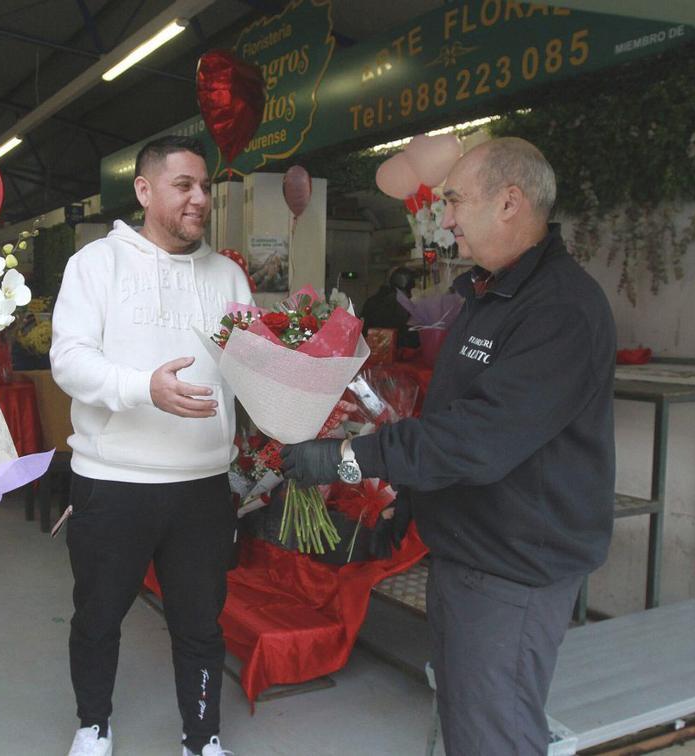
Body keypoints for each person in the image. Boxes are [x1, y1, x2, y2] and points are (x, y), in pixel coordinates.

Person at [281, 137, 615, 755]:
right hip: (470, 552)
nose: (447, 217)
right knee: (468, 723)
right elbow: (454, 414)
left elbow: (480, 439)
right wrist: (410, 503)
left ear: (509, 202)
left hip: (513, 569)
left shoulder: (559, 308)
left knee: (493, 735)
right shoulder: (489, 294)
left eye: (456, 200)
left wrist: (348, 460)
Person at [50, 135, 252, 756]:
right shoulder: (96, 265)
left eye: (205, 186)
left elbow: (251, 367)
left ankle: (202, 737)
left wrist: (300, 389)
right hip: (114, 482)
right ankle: (93, 724)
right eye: (183, 185)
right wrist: (145, 388)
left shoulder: (228, 275)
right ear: (143, 190)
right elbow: (69, 361)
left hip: (202, 486)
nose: (200, 198)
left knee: (200, 623)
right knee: (98, 617)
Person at [359, 265, 419, 348]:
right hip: (398, 352)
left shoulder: (370, 302)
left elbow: (362, 331)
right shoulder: (402, 305)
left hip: (371, 351)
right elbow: (412, 339)